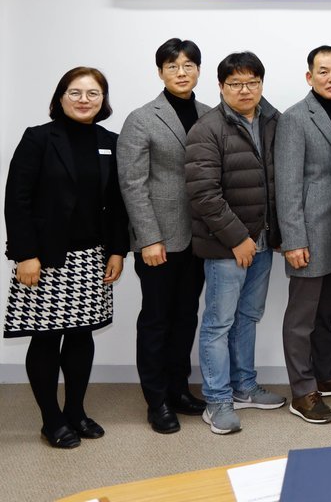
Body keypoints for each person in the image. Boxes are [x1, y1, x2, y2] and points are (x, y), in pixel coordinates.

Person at [4, 67, 128, 449]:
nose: (84, 100)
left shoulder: (110, 141)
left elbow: (118, 203)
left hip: (92, 257)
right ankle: (51, 419)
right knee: (46, 339)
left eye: (93, 93)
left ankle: (75, 411)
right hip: (46, 260)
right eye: (75, 92)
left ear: (103, 100)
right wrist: (26, 254)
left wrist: (118, 250)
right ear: (61, 97)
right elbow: (17, 200)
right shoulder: (39, 138)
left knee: (81, 336)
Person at [186, 51, 286, 435]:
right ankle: (217, 400)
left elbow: (277, 180)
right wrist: (238, 239)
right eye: (235, 83)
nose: (245, 90)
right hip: (226, 246)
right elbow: (204, 194)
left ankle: (244, 386)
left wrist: (274, 234)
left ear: (261, 83)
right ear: (221, 86)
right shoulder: (207, 128)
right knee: (218, 323)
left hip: (263, 242)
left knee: (248, 317)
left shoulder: (272, 121)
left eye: (252, 82)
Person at [117, 39, 210, 435]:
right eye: (172, 66)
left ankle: (178, 389)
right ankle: (156, 401)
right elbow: (132, 183)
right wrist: (148, 238)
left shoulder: (209, 114)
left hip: (200, 239)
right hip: (159, 240)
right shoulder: (142, 118)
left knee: (186, 317)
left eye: (188, 65)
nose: (181, 72)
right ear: (160, 72)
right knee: (156, 320)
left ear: (199, 70)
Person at [275, 45, 331, 425]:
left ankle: (326, 375)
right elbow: (287, 184)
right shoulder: (295, 118)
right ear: (309, 77)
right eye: (323, 71)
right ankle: (302, 391)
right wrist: (294, 239)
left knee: (328, 312)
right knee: (302, 318)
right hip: (310, 234)